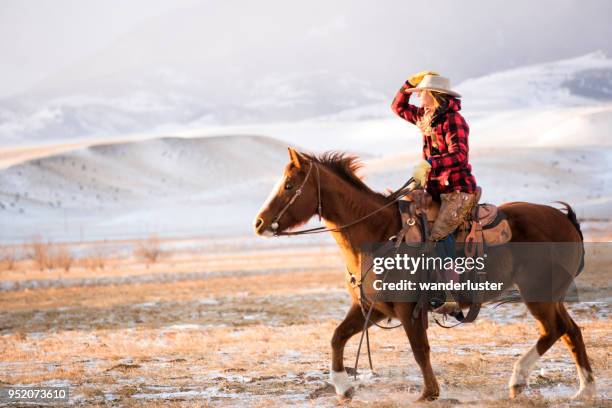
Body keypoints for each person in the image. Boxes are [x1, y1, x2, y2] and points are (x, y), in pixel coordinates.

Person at [391, 71, 478, 242]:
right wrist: (409, 83)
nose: (418, 96)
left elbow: (460, 155)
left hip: (456, 190)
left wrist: (431, 163)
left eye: (421, 92)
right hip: (434, 189)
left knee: (438, 237)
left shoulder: (453, 120)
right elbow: (398, 107)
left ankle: (449, 269)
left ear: (432, 94)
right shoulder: (425, 117)